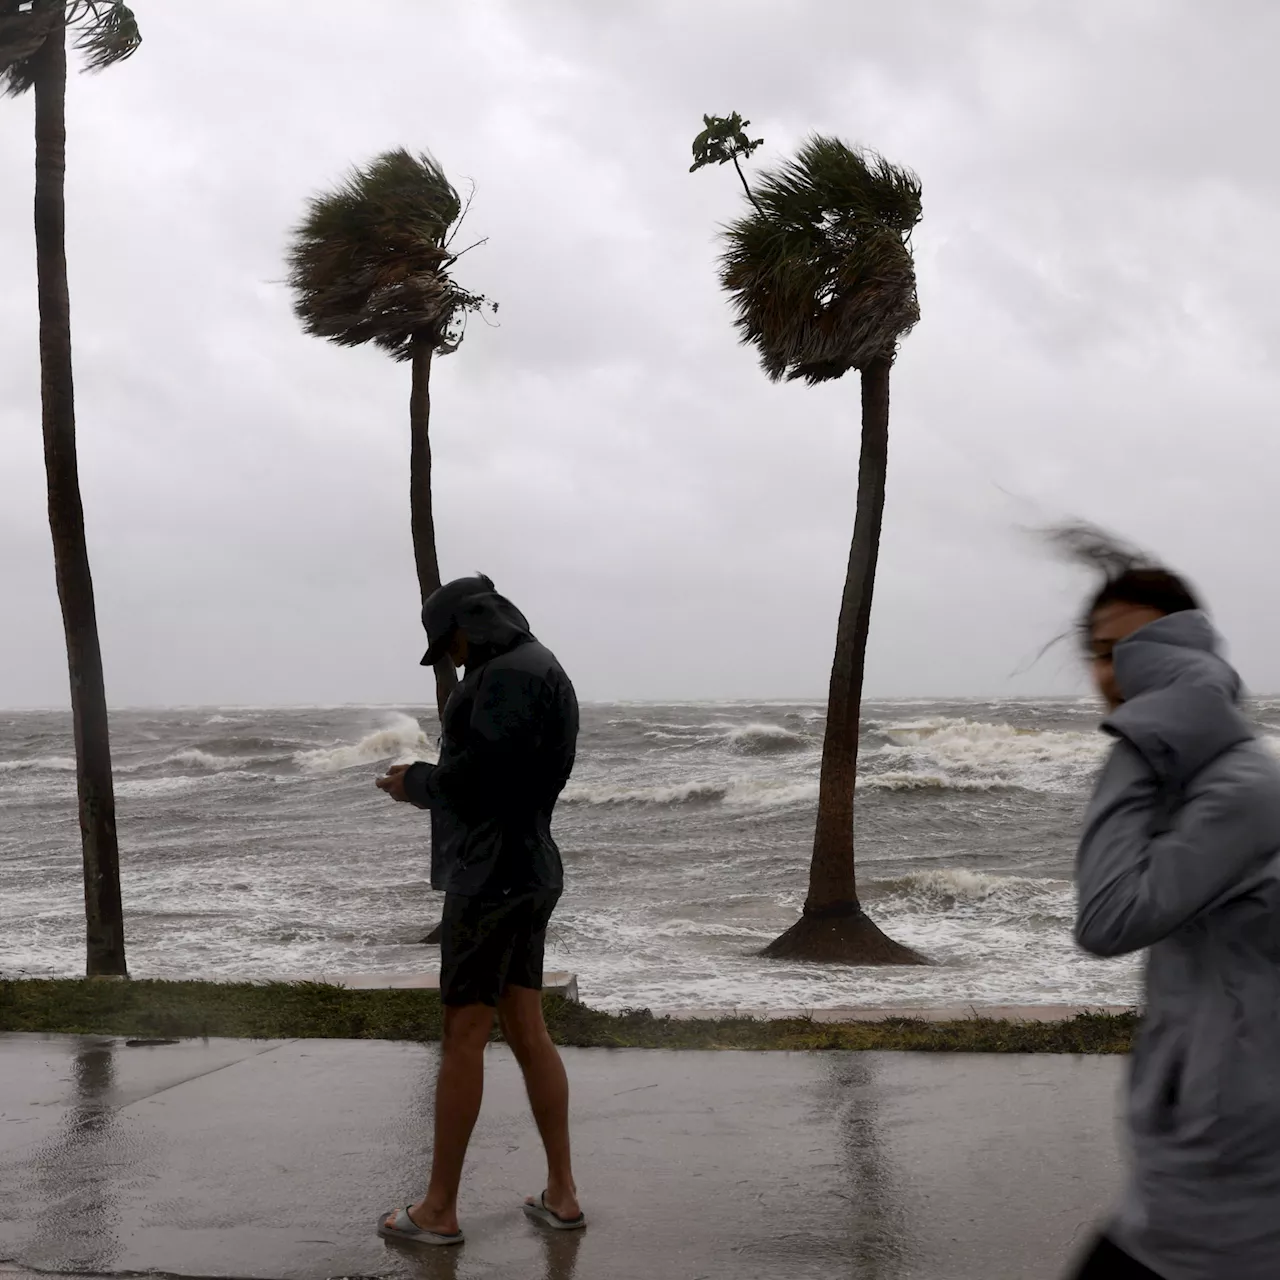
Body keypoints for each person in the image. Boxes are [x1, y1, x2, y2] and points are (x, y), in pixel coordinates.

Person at [1067, 560, 1280, 1279]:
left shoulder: (1243, 787)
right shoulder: (1186, 781)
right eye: (1100, 653)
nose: (1113, 675)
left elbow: (1105, 917)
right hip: (1184, 1180)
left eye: (1136, 653)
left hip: (1238, 1200)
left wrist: (1140, 737)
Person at [374, 574, 584, 1247]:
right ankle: (562, 1194)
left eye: (452, 644)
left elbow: (480, 779)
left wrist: (416, 783)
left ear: (472, 622)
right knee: (526, 1026)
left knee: (464, 1034)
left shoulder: (506, 676)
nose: (453, 657)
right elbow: (513, 774)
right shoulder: (539, 665)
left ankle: (438, 1210)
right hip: (528, 868)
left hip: (491, 877)